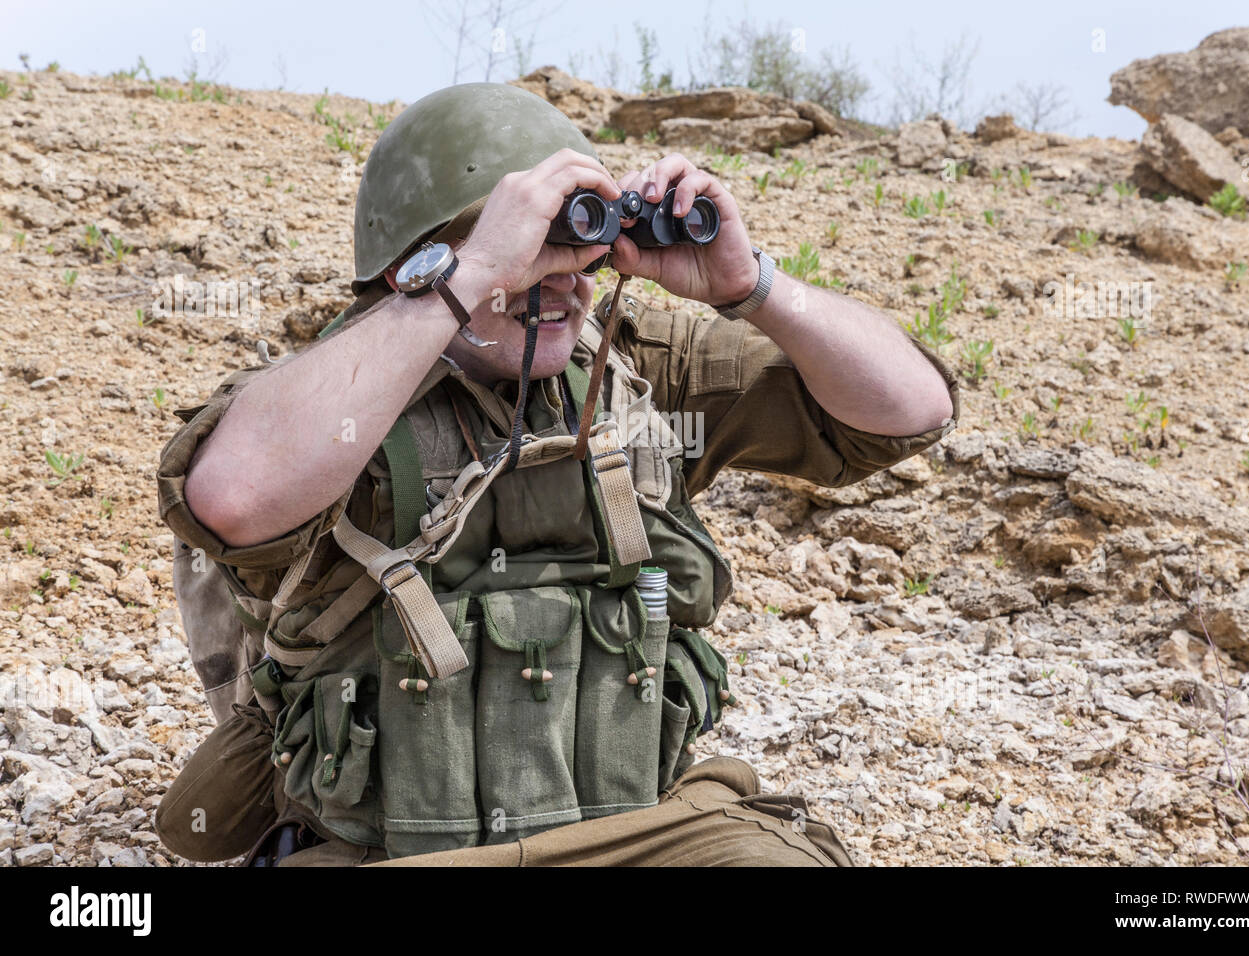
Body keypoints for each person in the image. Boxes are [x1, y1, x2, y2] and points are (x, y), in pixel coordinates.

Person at [153, 82, 959, 867]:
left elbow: (911, 407)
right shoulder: (334, 393)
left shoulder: (630, 372)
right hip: (387, 847)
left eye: (579, 250)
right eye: (531, 250)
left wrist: (752, 286)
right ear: (414, 263)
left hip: (638, 831)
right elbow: (233, 496)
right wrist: (470, 278)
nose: (564, 282)